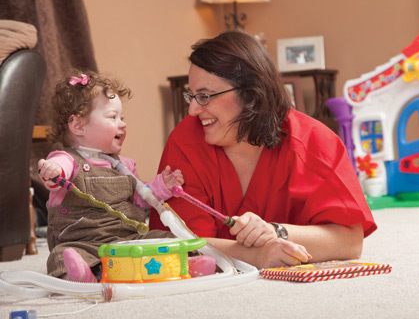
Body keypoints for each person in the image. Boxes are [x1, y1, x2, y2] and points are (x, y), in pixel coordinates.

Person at [150, 30, 377, 270]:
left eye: (205, 96)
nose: (193, 110)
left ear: (251, 95)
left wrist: (275, 232)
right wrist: (258, 255)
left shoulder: (314, 143)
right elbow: (181, 245)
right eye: (192, 96)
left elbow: (350, 241)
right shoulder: (185, 142)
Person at [38, 70, 214, 282]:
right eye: (113, 117)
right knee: (63, 257)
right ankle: (83, 275)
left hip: (126, 239)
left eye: (122, 117)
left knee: (164, 238)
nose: (122, 123)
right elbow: (59, 167)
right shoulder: (67, 159)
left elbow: (140, 198)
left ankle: (188, 262)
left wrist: (162, 186)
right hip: (82, 242)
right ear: (78, 126)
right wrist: (53, 170)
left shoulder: (125, 165)